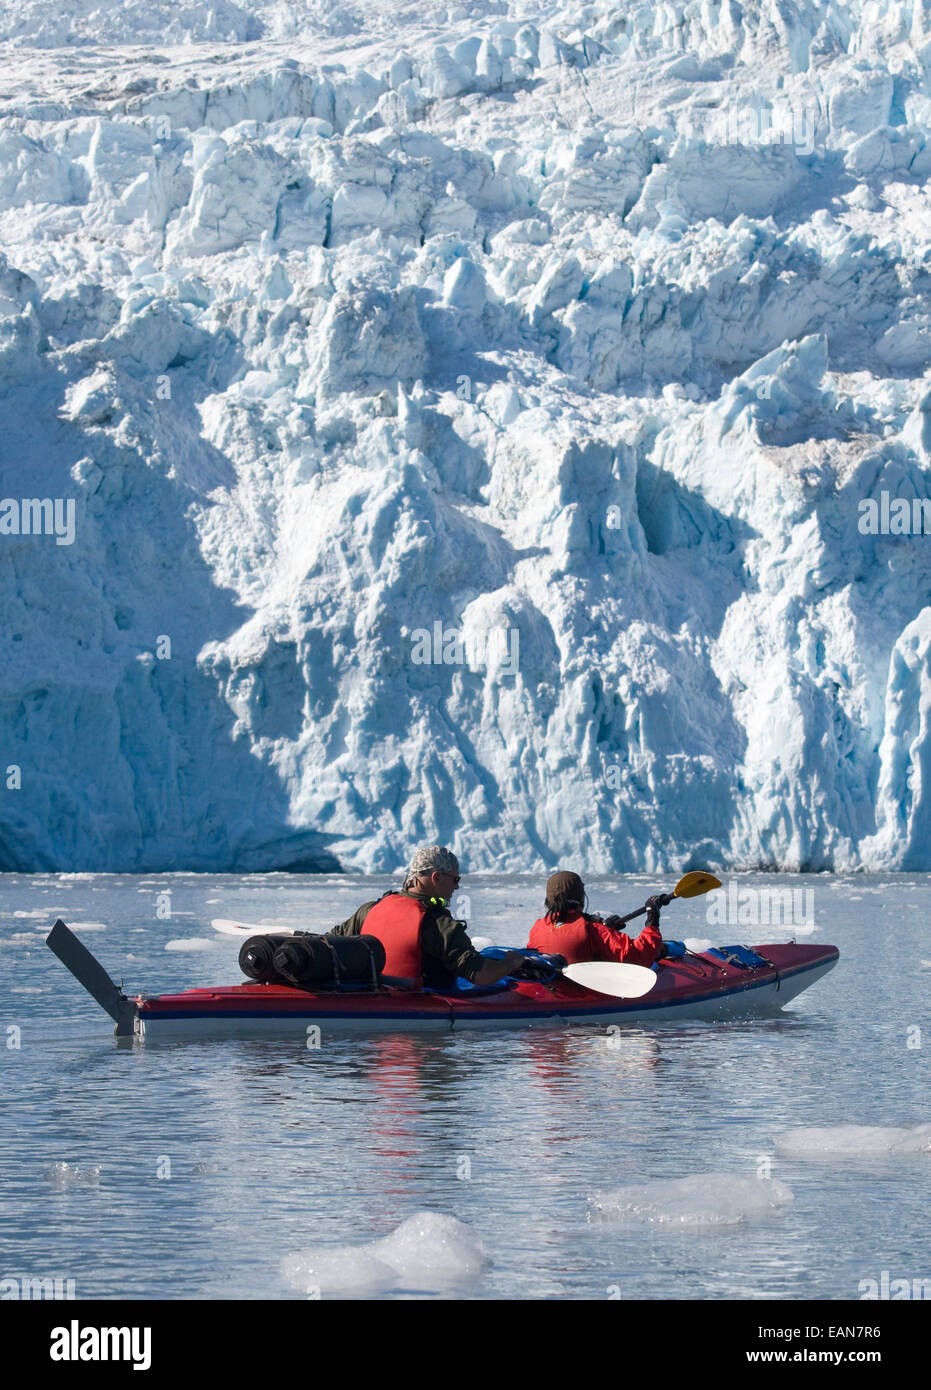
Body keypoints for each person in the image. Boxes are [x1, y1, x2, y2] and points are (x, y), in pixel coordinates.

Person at [330, 845, 526, 990]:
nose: (457, 887)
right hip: (420, 1012)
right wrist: (510, 962)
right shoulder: (438, 924)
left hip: (376, 994)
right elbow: (481, 975)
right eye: (455, 879)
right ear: (436, 877)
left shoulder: (370, 909)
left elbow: (333, 939)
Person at [527, 870, 665, 967]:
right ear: (581, 898)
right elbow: (638, 955)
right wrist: (652, 919)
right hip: (580, 993)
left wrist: (606, 929)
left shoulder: (537, 927)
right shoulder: (592, 930)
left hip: (550, 986)